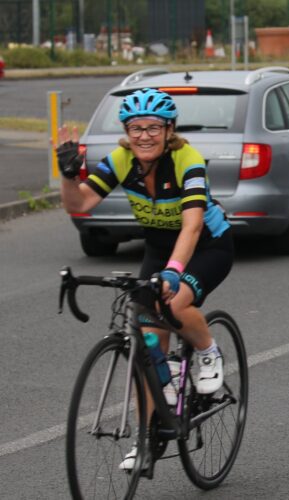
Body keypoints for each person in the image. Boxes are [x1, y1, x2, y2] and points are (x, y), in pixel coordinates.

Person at [55, 87, 233, 470]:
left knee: (173, 302)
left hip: (206, 246)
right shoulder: (122, 160)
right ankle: (146, 438)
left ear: (169, 130)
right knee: (146, 337)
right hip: (157, 246)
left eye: (153, 127)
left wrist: (173, 272)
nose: (144, 136)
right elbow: (80, 204)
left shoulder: (187, 160)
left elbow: (192, 225)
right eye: (136, 128)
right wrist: (69, 175)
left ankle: (207, 352)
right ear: (127, 131)